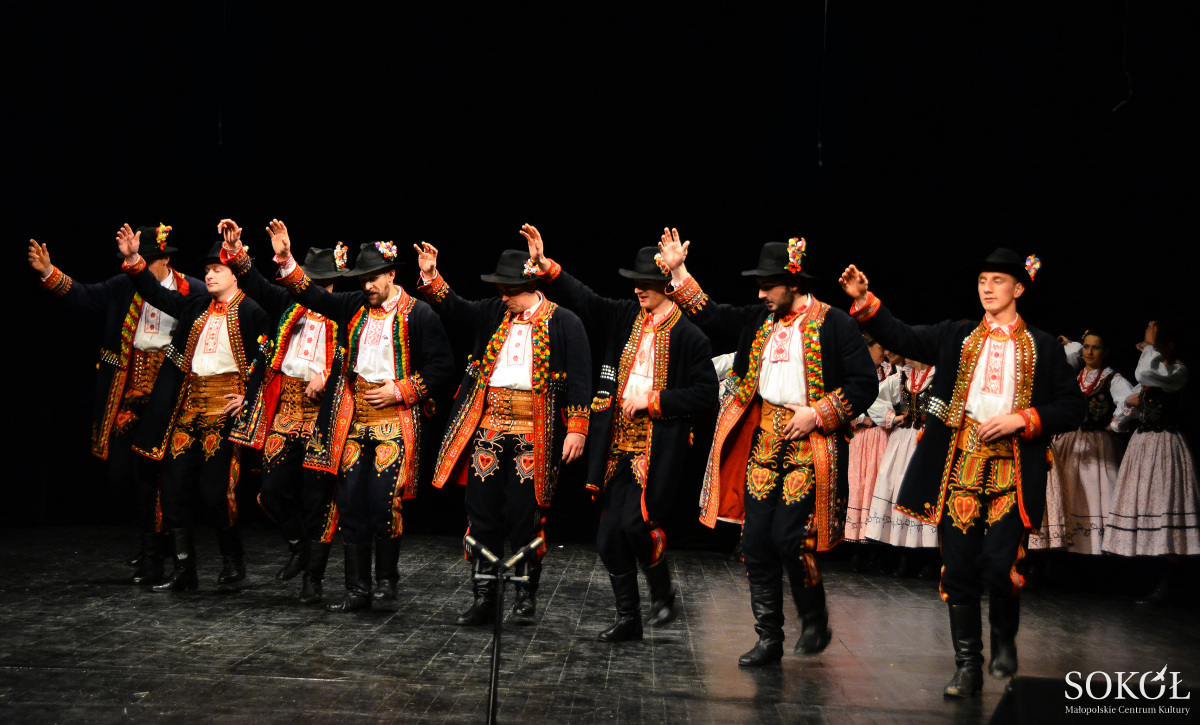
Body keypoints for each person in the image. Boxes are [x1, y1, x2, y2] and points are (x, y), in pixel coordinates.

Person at [840, 248, 1084, 697]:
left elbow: (1072, 407)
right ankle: (968, 664)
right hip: (961, 468)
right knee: (958, 568)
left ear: (1019, 288)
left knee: (999, 566)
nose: (987, 288)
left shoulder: (1043, 346)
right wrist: (864, 300)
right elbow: (901, 335)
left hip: (1012, 470)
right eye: (982, 281)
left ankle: (1004, 640)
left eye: (997, 281)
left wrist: (1022, 419)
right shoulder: (958, 335)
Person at [659, 231, 877, 666]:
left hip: (809, 445)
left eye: (768, 285)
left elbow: (864, 384)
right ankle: (768, 637)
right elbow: (712, 314)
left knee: (791, 539)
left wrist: (818, 413)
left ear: (793, 283)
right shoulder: (760, 319)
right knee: (756, 542)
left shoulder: (834, 323)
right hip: (764, 442)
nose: (760, 294)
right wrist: (679, 271)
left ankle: (814, 616)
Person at [521, 224, 718, 641]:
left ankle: (662, 589)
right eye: (636, 282)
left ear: (666, 284)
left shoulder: (689, 335)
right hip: (616, 442)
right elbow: (585, 298)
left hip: (657, 444)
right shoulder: (626, 316)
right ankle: (630, 617)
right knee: (609, 535)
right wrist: (547, 266)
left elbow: (705, 395)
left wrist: (654, 400)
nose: (638, 290)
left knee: (635, 523)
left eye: (646, 283)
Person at [268, 221, 455, 612]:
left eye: (373, 278)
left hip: (393, 420)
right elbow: (311, 294)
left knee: (382, 501)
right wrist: (285, 259)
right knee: (351, 502)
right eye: (362, 279)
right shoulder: (353, 306)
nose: (367, 285)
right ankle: (356, 589)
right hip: (354, 421)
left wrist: (401, 389)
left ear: (391, 275)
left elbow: (441, 367)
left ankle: (386, 581)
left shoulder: (419, 314)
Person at [415, 241, 591, 625]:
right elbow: (455, 308)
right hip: (490, 427)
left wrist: (577, 428)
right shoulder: (494, 312)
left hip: (535, 430)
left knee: (524, 514)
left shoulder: (565, 322)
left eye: (509, 290)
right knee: (481, 512)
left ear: (528, 286)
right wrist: (431, 276)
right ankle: (484, 596)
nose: (503, 297)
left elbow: (580, 378)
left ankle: (524, 596)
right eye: (501, 290)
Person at [28, 228, 202, 584]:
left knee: (160, 476)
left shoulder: (193, 290)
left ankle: (156, 554)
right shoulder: (125, 285)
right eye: (138, 260)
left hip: (173, 392)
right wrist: (48, 271)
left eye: (148, 260)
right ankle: (151, 539)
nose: (141, 265)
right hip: (132, 390)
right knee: (120, 474)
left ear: (166, 259)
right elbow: (84, 296)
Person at [116, 224, 272, 593]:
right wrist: (134, 259)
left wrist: (250, 396)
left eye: (217, 269)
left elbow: (267, 357)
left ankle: (233, 560)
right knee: (173, 489)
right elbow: (154, 292)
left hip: (225, 410)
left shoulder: (252, 310)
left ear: (235, 274)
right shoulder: (196, 305)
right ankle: (184, 570)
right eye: (207, 270)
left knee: (215, 492)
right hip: (190, 408)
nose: (210, 274)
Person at [219, 221, 346, 604]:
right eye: (312, 279)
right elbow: (255, 283)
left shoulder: (346, 310)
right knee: (271, 491)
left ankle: (313, 577)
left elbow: (359, 358)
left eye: (323, 281)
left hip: (323, 413)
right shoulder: (289, 304)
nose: (316, 286)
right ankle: (299, 546)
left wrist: (328, 375)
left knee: (317, 498)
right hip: (287, 409)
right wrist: (237, 252)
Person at [1103, 319, 1198, 603]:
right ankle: (1142, 577)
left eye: (1153, 332)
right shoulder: (1152, 374)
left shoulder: (1177, 371)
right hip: (1143, 444)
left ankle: (1170, 581)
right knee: (1140, 505)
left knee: (1166, 506)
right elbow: (1135, 399)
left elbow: (1146, 372)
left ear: (1167, 344)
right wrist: (1123, 413)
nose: (1147, 329)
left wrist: (1149, 348)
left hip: (1165, 445)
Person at [864, 361, 940, 576]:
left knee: (922, 494)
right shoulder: (901, 378)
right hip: (902, 440)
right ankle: (903, 555)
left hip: (925, 442)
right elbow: (873, 398)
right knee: (898, 490)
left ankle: (928, 558)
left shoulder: (938, 377)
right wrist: (892, 417)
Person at [845, 335, 895, 569]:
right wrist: (862, 418)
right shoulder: (852, 371)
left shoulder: (890, 373)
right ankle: (856, 547)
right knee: (859, 488)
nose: (884, 354)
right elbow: (843, 401)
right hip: (861, 437)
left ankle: (878, 549)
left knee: (877, 489)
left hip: (883, 436)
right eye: (880, 348)